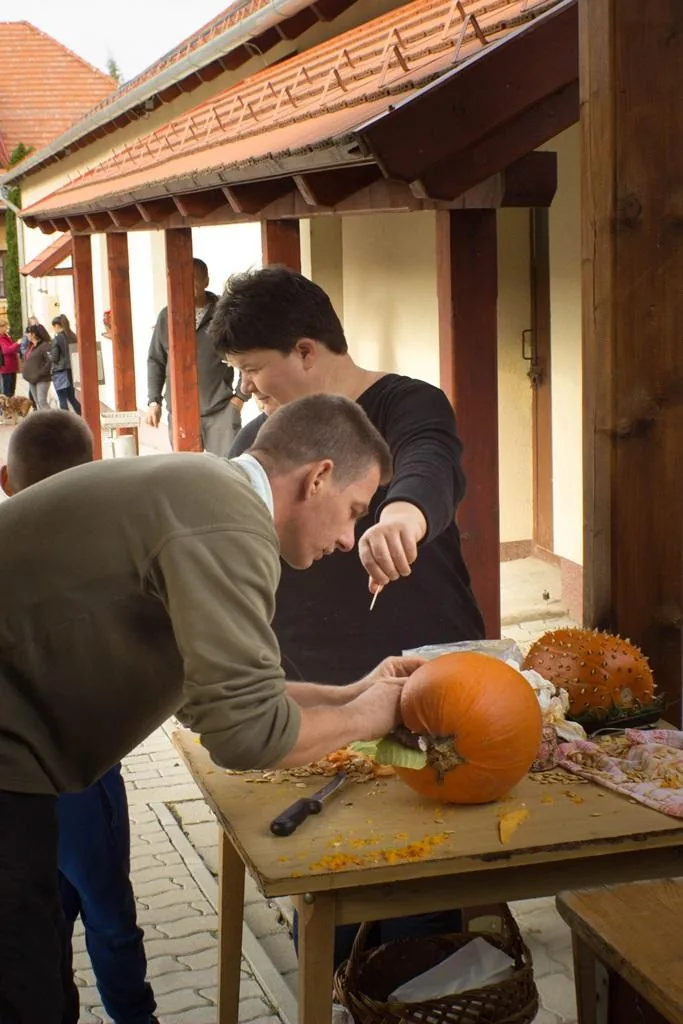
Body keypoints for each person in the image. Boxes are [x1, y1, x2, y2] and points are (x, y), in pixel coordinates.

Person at [0, 393, 421, 1024]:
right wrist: (376, 716)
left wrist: (356, 693)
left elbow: (218, 698)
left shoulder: (208, 492)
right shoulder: (228, 521)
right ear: (319, 476)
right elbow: (245, 734)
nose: (347, 537)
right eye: (355, 512)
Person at [216, 266, 485, 963]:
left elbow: (429, 463)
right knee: (334, 866)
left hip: (422, 674)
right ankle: (340, 984)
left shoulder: (405, 402)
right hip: (321, 677)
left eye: (253, 371)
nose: (248, 390)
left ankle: (425, 983)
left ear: (306, 352)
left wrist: (399, 514)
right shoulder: (260, 440)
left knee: (424, 864)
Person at [1, 410, 159, 1024]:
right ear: (91, 475)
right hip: (80, 779)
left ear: (6, 481)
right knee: (110, 915)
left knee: (44, 915)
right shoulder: (104, 554)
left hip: (16, 784)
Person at [144, 257, 247, 454]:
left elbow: (245, 352)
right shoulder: (167, 316)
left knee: (226, 471)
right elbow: (156, 360)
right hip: (180, 412)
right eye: (182, 280)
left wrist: (240, 398)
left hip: (221, 410)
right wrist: (154, 401)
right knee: (188, 474)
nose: (187, 285)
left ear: (206, 281)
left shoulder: (224, 313)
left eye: (194, 279)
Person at [49, 314, 82, 414]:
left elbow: (55, 358)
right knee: (71, 397)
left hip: (60, 371)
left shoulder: (57, 339)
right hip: (71, 370)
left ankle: (66, 421)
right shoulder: (72, 336)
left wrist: (48, 355)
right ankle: (83, 415)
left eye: (53, 327)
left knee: (62, 398)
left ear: (57, 326)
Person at [21, 323, 53, 410]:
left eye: (28, 333)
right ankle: (42, 422)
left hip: (42, 379)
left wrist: (39, 373)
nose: (27, 335)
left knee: (42, 401)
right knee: (37, 402)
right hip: (31, 379)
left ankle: (54, 420)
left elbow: (50, 361)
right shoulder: (30, 346)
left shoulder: (45, 346)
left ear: (34, 334)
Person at [0, 318, 21, 398]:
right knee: (6, 392)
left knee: (12, 391)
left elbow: (12, 349)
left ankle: (10, 409)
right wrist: (17, 343)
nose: (7, 328)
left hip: (12, 367)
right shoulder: (1, 338)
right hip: (6, 369)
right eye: (5, 326)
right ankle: (6, 409)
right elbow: (6, 350)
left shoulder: (6, 337)